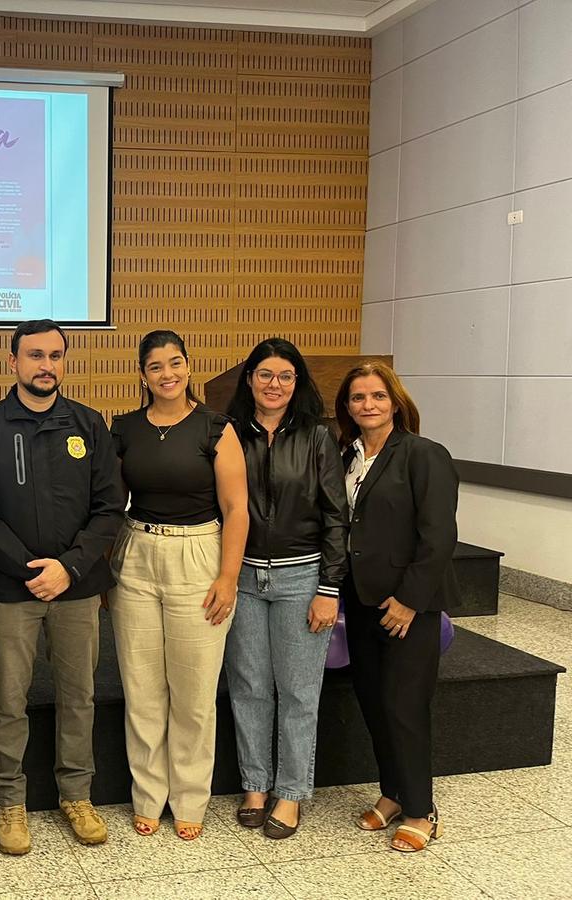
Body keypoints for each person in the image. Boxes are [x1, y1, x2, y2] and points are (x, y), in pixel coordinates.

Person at [0, 319, 126, 855]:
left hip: (77, 588)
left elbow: (108, 507)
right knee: (8, 697)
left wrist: (70, 568)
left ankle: (76, 794)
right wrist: (32, 570)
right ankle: (10, 803)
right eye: (35, 355)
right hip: (13, 589)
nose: (45, 366)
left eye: (55, 355)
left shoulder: (87, 424)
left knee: (79, 694)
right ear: (13, 361)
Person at [108, 329, 248, 841]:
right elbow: (109, 504)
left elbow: (236, 509)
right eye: (155, 366)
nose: (167, 374)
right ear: (142, 374)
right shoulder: (123, 429)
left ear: (189, 366)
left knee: (192, 691)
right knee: (142, 687)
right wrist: (107, 569)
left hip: (199, 557)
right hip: (137, 553)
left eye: (175, 363)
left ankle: (190, 798)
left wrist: (228, 577)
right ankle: (148, 795)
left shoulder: (216, 427)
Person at [222, 338, 348, 839]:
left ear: (298, 384)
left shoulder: (319, 438)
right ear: (249, 378)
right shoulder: (229, 433)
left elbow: (337, 517)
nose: (275, 384)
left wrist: (329, 587)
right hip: (245, 576)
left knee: (298, 693)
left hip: (302, 578)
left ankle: (291, 793)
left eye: (286, 376)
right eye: (266, 374)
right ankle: (255, 785)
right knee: (249, 687)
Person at [335, 361, 458, 852]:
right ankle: (391, 794)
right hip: (361, 601)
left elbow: (439, 536)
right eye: (358, 397)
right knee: (374, 703)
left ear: (396, 402)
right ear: (346, 407)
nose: (368, 405)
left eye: (377, 396)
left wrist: (409, 600)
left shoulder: (424, 455)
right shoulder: (348, 456)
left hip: (409, 605)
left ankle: (419, 809)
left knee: (404, 707)